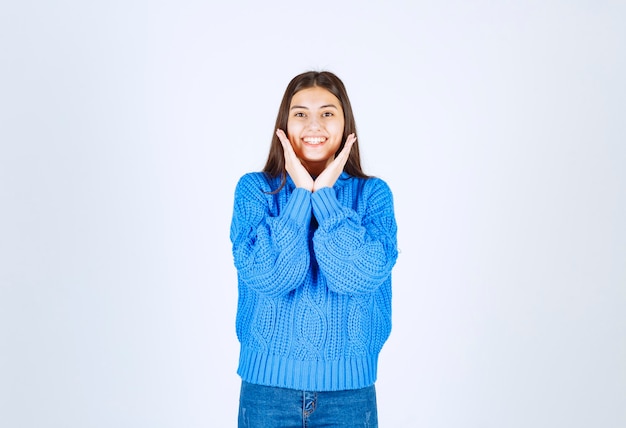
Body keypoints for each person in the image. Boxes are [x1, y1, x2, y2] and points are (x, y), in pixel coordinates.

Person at [230, 70, 398, 427]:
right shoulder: (254, 191)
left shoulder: (373, 195)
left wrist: (324, 197)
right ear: (284, 124)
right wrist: (299, 197)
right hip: (267, 393)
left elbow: (358, 277)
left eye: (327, 112)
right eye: (300, 113)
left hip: (349, 397)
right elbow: (272, 277)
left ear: (345, 124)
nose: (313, 124)